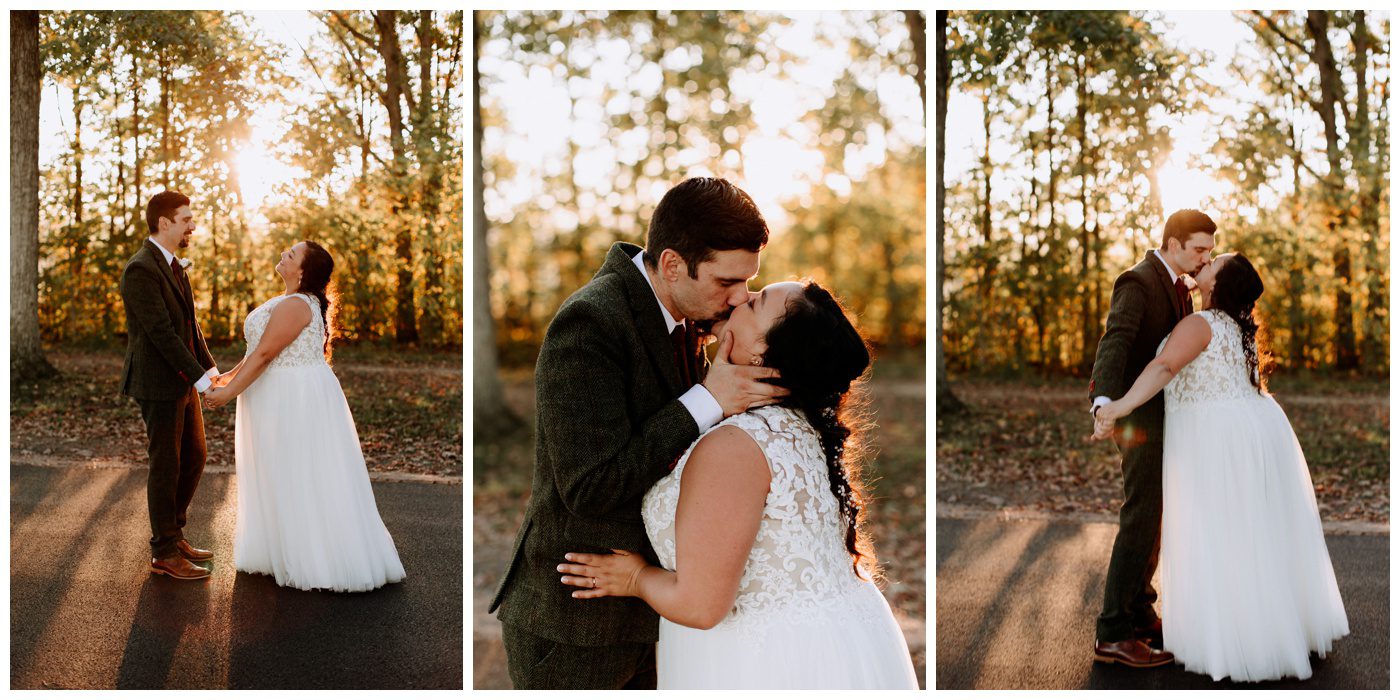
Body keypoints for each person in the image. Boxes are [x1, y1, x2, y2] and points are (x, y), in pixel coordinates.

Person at [489, 177, 787, 689]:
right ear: (672, 265)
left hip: (657, 616)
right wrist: (708, 399)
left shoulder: (689, 315)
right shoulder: (590, 324)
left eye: (748, 281)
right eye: (726, 282)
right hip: (580, 627)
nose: (740, 297)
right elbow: (590, 486)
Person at [556, 280, 918, 689]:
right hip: (837, 640)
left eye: (757, 302)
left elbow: (700, 606)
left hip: (767, 664)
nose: (743, 297)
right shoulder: (799, 425)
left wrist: (636, 579)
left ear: (761, 354)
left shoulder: (735, 446)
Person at [1091, 253, 1348, 681]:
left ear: (1219, 283)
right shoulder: (1236, 326)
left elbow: (1164, 366)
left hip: (1217, 438)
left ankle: (1229, 637)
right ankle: (1263, 630)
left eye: (1214, 262)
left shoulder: (1200, 323)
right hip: (1251, 430)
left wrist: (1119, 406)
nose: (1205, 263)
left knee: (1219, 535)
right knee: (1246, 537)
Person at [202, 241, 405, 592]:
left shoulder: (297, 305)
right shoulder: (288, 301)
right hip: (275, 392)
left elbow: (266, 354)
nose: (284, 254)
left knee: (298, 473)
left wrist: (228, 394)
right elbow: (257, 350)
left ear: (302, 272)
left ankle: (314, 559)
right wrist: (228, 377)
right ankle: (280, 550)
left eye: (291, 254)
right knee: (279, 471)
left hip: (291, 397)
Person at [1086, 209, 1216, 667]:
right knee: (1141, 515)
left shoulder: (1180, 286)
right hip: (1138, 416)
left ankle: (1140, 610)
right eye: (1199, 248)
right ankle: (1113, 633)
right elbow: (1115, 340)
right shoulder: (1138, 280)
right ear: (1173, 243)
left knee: (1156, 516)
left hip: (1165, 415)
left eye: (1210, 251)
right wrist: (1104, 403)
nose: (1206, 258)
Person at [119, 190, 219, 581]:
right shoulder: (141, 269)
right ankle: (163, 552)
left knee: (194, 456)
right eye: (186, 219)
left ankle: (174, 535)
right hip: (157, 382)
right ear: (164, 223)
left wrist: (210, 369)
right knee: (166, 464)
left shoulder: (174, 265)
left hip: (183, 378)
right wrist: (199, 378)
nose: (193, 225)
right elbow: (161, 333)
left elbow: (189, 325)